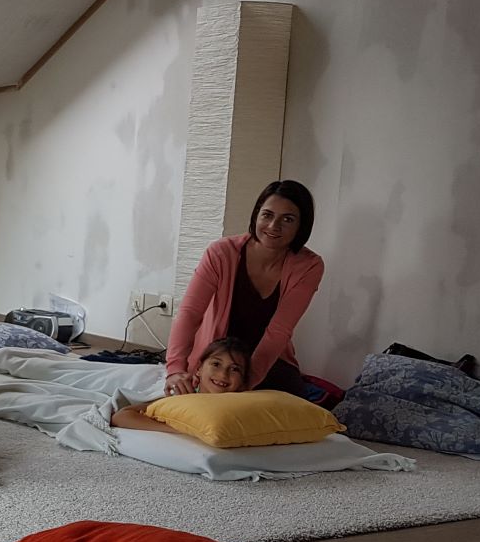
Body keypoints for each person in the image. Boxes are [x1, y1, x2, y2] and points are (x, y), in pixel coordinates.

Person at [165, 179, 323, 397]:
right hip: (219, 359)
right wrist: (175, 369)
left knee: (286, 407)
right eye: (267, 215)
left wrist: (245, 383)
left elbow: (279, 331)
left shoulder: (309, 266)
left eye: (287, 219)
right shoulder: (221, 252)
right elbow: (190, 313)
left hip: (269, 362)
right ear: (256, 215)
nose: (273, 226)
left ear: (301, 225)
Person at [112, 338, 248, 433]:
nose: (223, 374)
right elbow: (121, 417)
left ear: (243, 381)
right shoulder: (182, 394)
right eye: (216, 364)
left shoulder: (242, 406)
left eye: (235, 369)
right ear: (199, 369)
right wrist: (182, 430)